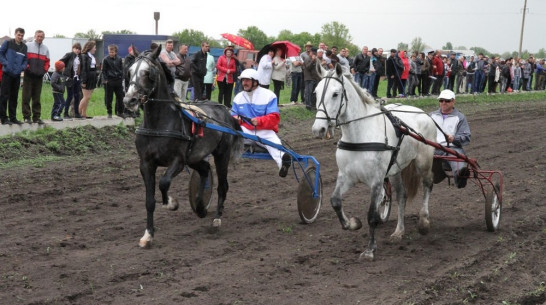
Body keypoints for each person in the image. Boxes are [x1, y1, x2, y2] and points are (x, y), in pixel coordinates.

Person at [231, 69, 291, 177]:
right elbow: (232, 116)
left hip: (264, 130)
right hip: (245, 130)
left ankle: (283, 163)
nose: (244, 83)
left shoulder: (269, 95)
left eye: (247, 80)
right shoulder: (238, 97)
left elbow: (274, 118)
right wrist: (235, 118)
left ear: (255, 81)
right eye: (243, 80)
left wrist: (259, 121)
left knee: (276, 145)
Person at [430, 89, 471, 188]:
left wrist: (454, 139)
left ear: (453, 101)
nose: (443, 103)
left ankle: (460, 176)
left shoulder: (460, 117)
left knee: (457, 158)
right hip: (431, 148)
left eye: (447, 101)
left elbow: (466, 137)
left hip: (451, 148)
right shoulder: (431, 116)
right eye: (441, 100)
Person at [21, 30, 49, 125]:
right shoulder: (28, 45)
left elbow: (47, 61)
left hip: (39, 76)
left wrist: (44, 70)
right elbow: (24, 59)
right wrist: (27, 68)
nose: (39, 38)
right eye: (38, 36)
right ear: (35, 36)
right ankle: (26, 116)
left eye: (41, 36)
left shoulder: (45, 49)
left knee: (37, 98)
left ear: (43, 38)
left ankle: (36, 117)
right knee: (26, 96)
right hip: (28, 75)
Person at [0, 27, 27, 125]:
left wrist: (22, 67)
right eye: (18, 35)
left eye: (22, 35)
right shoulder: (7, 43)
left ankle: (13, 118)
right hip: (7, 74)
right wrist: (5, 63)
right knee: (4, 96)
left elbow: (25, 60)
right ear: (15, 34)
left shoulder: (24, 47)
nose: (20, 37)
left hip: (17, 75)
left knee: (14, 97)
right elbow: (1, 54)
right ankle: (3, 118)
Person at [102, 44, 126, 118]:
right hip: (110, 80)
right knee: (109, 98)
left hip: (118, 80)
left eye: (112, 52)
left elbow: (121, 69)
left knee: (120, 97)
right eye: (110, 52)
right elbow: (104, 70)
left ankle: (120, 112)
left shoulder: (119, 59)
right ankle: (109, 112)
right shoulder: (106, 60)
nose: (111, 53)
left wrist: (122, 77)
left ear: (115, 52)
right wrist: (106, 79)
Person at [59, 42, 82, 119]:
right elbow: (60, 62)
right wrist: (64, 73)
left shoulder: (79, 57)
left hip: (77, 78)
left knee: (77, 96)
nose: (77, 50)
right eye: (76, 48)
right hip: (70, 78)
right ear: (73, 49)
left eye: (79, 49)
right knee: (70, 96)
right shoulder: (69, 55)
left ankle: (76, 113)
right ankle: (65, 113)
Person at [78, 40, 98, 119]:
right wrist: (84, 81)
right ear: (90, 48)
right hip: (87, 77)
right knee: (86, 96)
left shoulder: (92, 56)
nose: (95, 49)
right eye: (94, 47)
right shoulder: (84, 56)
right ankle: (78, 113)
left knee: (88, 97)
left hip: (92, 77)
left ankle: (84, 114)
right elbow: (84, 70)